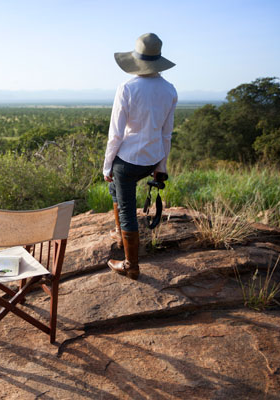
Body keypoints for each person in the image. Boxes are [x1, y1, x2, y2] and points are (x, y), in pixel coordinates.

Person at [103, 33, 177, 280]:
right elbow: (167, 134)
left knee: (126, 209)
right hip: (151, 160)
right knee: (119, 189)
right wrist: (161, 166)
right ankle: (118, 230)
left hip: (128, 161)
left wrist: (106, 167)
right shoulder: (169, 90)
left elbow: (115, 134)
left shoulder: (127, 87)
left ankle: (130, 265)